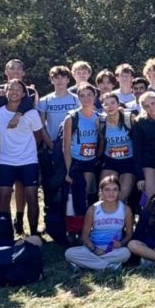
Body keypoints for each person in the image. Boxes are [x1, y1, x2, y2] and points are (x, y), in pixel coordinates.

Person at [0, 80, 45, 235]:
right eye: (10, 89)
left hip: (29, 162)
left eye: (18, 89)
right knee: (4, 198)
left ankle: (33, 233)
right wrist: (8, 151)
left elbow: (38, 136)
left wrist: (26, 151)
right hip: (6, 162)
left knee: (32, 198)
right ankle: (5, 233)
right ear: (5, 92)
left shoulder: (32, 114)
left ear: (24, 93)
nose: (14, 92)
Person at [61, 83, 105, 238]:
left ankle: (91, 227)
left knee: (90, 194)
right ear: (78, 98)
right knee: (79, 194)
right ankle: (77, 230)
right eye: (82, 95)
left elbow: (101, 141)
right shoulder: (72, 117)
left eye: (89, 95)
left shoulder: (99, 118)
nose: (86, 98)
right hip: (76, 161)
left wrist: (97, 158)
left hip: (91, 161)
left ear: (95, 97)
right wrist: (68, 171)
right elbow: (65, 147)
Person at [65, 176, 133, 272]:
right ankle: (109, 266)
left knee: (126, 253)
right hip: (93, 248)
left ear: (119, 192)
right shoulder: (93, 209)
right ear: (101, 192)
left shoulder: (125, 209)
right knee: (69, 253)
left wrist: (121, 243)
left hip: (113, 250)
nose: (111, 193)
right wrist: (94, 249)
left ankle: (85, 264)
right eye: (107, 190)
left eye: (115, 190)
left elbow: (129, 234)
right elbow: (84, 237)